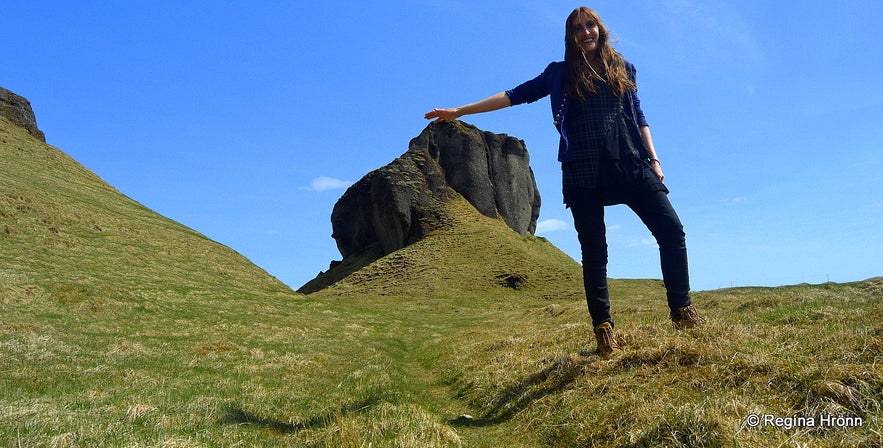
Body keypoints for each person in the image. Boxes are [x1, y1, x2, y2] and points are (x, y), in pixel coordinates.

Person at [425, 6, 704, 358]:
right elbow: (513, 95)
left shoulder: (623, 67)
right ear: (570, 37)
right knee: (595, 252)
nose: (586, 32)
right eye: (578, 28)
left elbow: (639, 115)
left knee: (671, 231)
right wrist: (459, 111)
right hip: (583, 169)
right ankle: (604, 331)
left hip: (629, 161)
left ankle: (682, 312)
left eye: (591, 25)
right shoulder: (559, 73)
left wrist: (654, 158)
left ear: (600, 29)